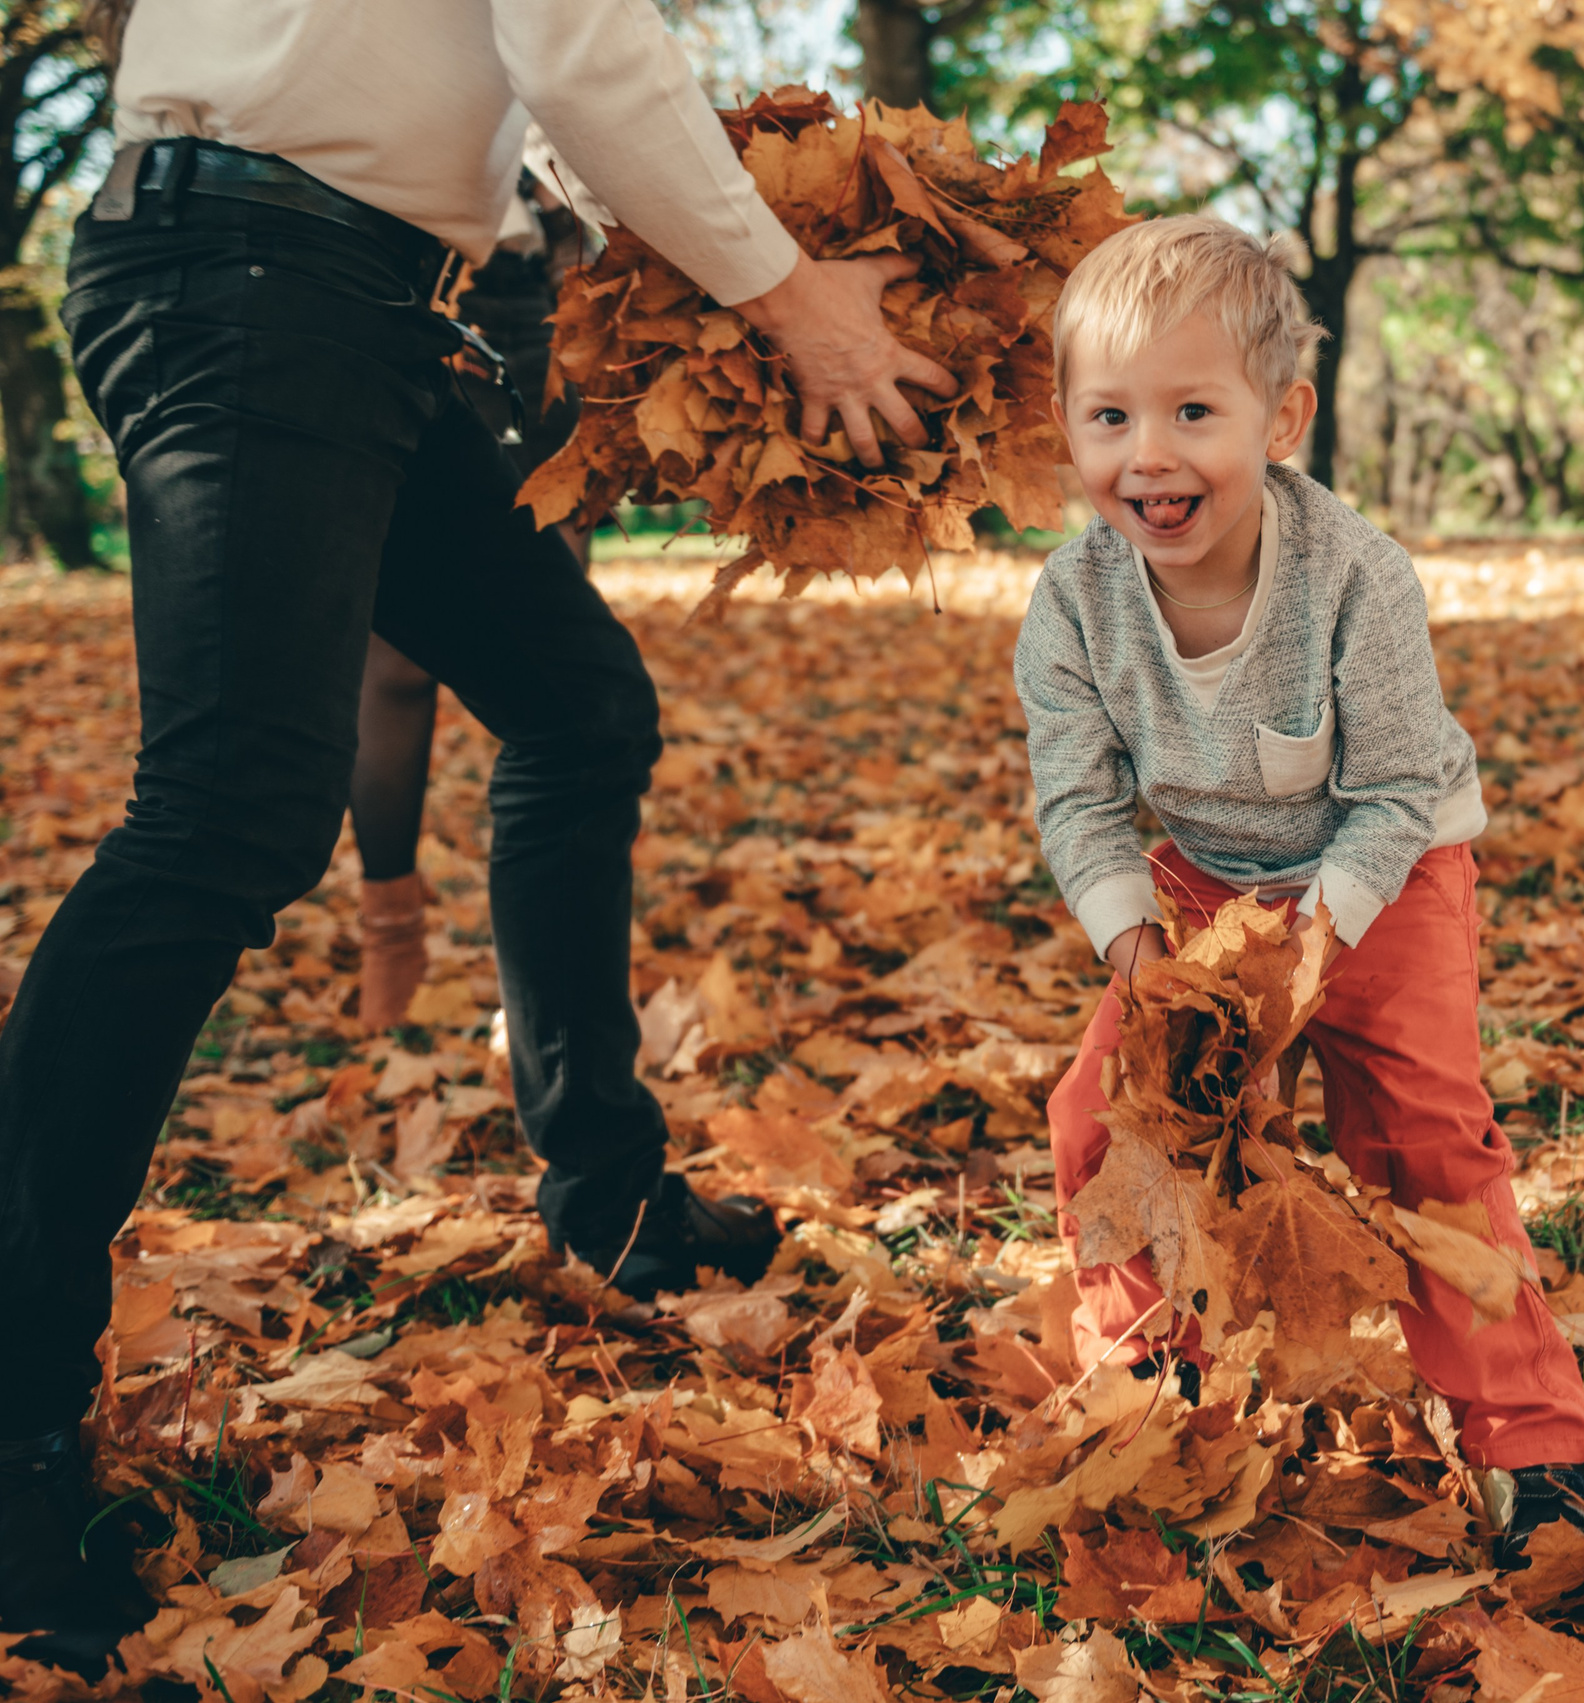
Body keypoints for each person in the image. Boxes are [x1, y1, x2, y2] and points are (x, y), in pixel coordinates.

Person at [0, 1, 956, 1669]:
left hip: (356, 299)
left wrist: (693, 265)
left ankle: (609, 1197)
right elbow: (581, 39)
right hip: (256, 277)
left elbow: (545, 86)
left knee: (579, 708)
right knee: (227, 812)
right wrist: (796, 300)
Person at [1015, 217, 1584, 1569]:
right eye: (1110, 416)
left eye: (1193, 412)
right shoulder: (1073, 602)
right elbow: (1081, 802)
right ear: (1065, 426)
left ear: (1281, 418)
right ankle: (1149, 1392)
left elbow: (1395, 790)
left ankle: (1528, 1441)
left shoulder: (1352, 574)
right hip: (1200, 883)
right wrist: (1139, 953)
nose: (1148, 454)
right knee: (1113, 1117)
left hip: (1383, 873)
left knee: (1423, 1136)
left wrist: (1312, 947)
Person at [357, 159, 594, 1030]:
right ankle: (391, 929)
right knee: (396, 665)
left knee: (558, 660)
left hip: (554, 319)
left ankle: (548, 960)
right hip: (431, 302)